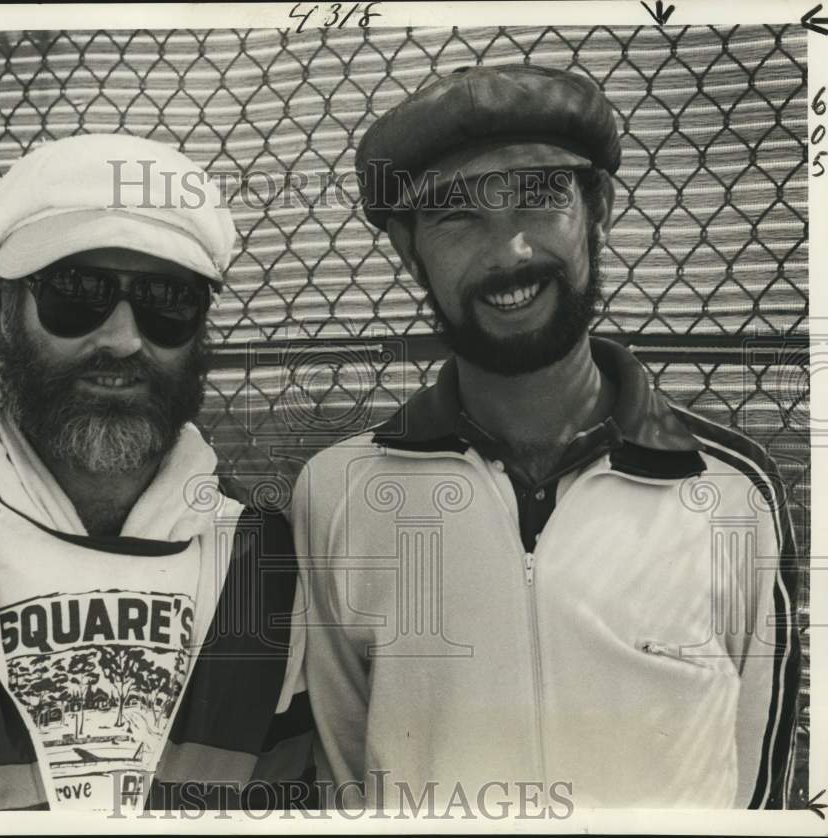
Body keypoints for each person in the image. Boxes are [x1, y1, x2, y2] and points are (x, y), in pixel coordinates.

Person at [291, 65, 801, 810]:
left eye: (540, 194)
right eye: (456, 213)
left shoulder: (729, 492)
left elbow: (759, 793)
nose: (511, 252)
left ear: (598, 208)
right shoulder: (340, 493)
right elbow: (346, 785)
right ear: (408, 247)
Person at [0, 133, 311, 813]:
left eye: (166, 300)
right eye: (76, 293)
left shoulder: (265, 561)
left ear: (202, 326)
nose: (123, 339)